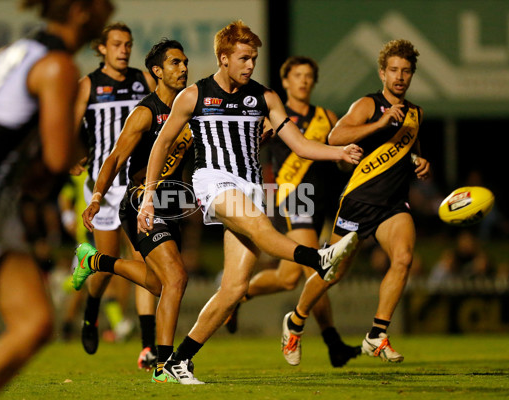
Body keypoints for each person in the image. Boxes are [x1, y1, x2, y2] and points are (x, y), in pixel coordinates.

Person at [136, 21, 363, 384]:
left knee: (235, 289)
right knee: (259, 226)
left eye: (254, 58)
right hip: (212, 181)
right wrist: (148, 197)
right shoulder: (194, 95)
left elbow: (301, 145)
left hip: (250, 186)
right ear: (223, 58)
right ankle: (317, 258)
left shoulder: (265, 97)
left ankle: (178, 361)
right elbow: (161, 144)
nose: (250, 65)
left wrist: (339, 151)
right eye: (243, 58)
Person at [0, 1, 114, 399]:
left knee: (35, 324)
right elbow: (59, 158)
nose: (109, 10)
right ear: (80, 11)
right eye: (102, 4)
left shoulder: (12, 54)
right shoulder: (59, 66)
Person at [282, 39, 430, 364]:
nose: (400, 76)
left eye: (406, 71)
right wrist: (379, 123)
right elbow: (335, 137)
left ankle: (377, 334)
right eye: (393, 70)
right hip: (359, 201)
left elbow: (407, 153)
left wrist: (420, 163)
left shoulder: (416, 114)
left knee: (403, 258)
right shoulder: (369, 104)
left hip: (393, 204)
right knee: (333, 272)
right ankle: (296, 320)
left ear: (412, 74)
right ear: (382, 72)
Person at [224, 56, 361, 367]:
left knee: (288, 278)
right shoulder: (274, 115)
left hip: (318, 200)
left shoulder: (326, 116)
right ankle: (332, 342)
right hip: (290, 197)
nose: (304, 81)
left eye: (309, 76)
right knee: (316, 267)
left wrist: (344, 159)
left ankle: (237, 295)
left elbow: (337, 160)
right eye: (297, 75)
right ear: (285, 82)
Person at [73, 39, 192, 383]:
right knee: (176, 279)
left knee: (161, 285)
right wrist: (97, 196)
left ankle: (95, 262)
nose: (183, 68)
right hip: (140, 201)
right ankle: (163, 363)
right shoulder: (146, 112)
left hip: (171, 205)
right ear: (157, 71)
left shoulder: (191, 108)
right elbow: (114, 159)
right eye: (175, 63)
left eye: (184, 62)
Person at [74, 22, 158, 359]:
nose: (124, 50)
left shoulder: (143, 79)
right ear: (102, 49)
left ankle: (149, 346)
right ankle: (91, 310)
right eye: (118, 44)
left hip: (136, 188)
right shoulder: (89, 85)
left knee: (144, 261)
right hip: (103, 187)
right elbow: (68, 126)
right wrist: (73, 155)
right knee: (107, 266)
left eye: (128, 44)